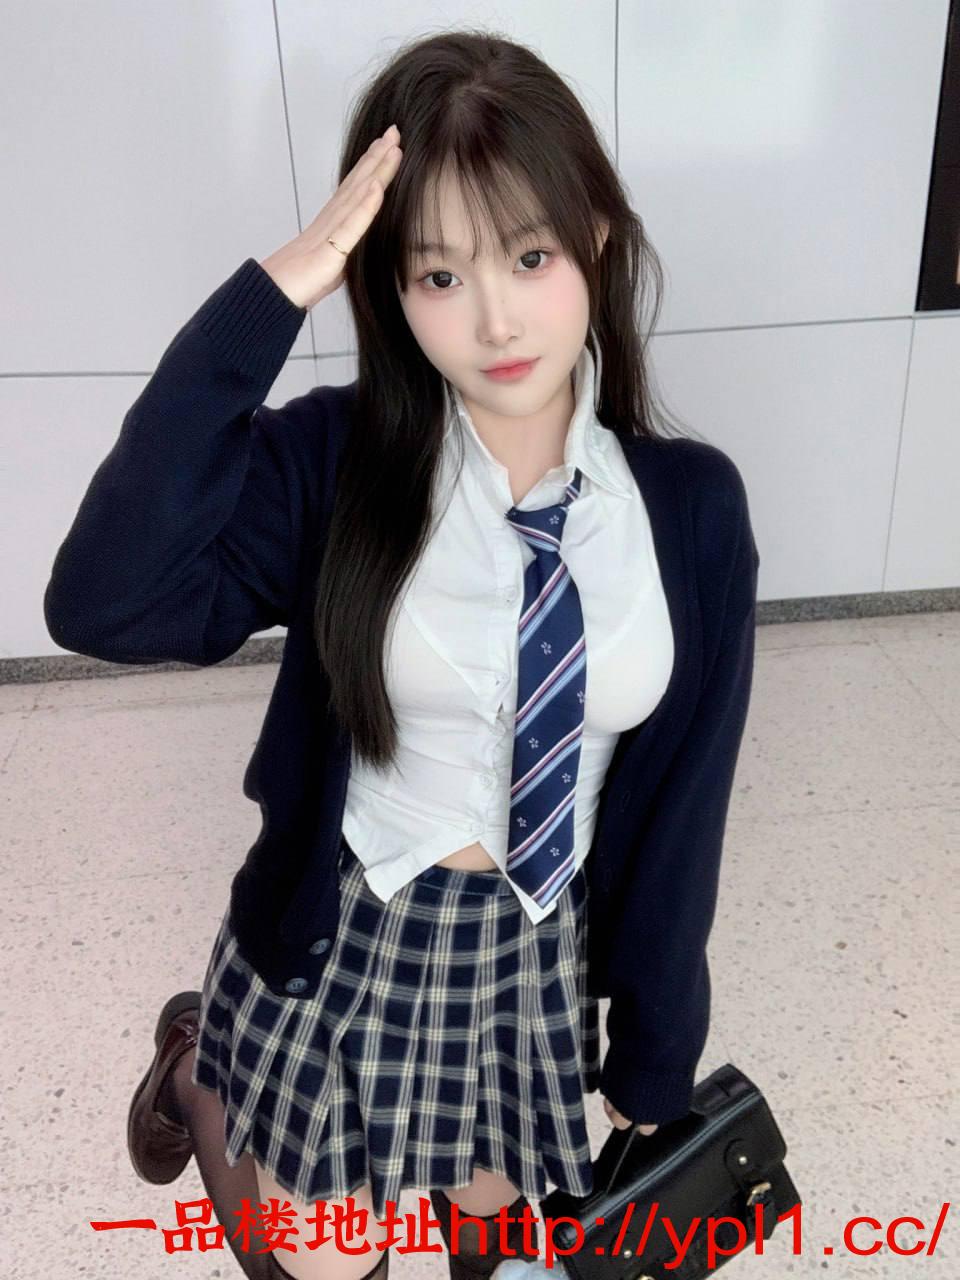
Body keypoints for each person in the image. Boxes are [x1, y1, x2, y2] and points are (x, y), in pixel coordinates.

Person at [44, 27, 759, 1280]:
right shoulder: (335, 465)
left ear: (594, 234)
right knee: (327, 1266)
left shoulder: (689, 508)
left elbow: (685, 806)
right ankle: (201, 1068)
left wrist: (656, 1049)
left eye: (530, 256)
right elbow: (104, 600)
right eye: (439, 274)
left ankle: (204, 1060)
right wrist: (267, 301)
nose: (495, 319)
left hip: (528, 958)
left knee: (500, 1252)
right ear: (389, 285)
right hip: (345, 944)